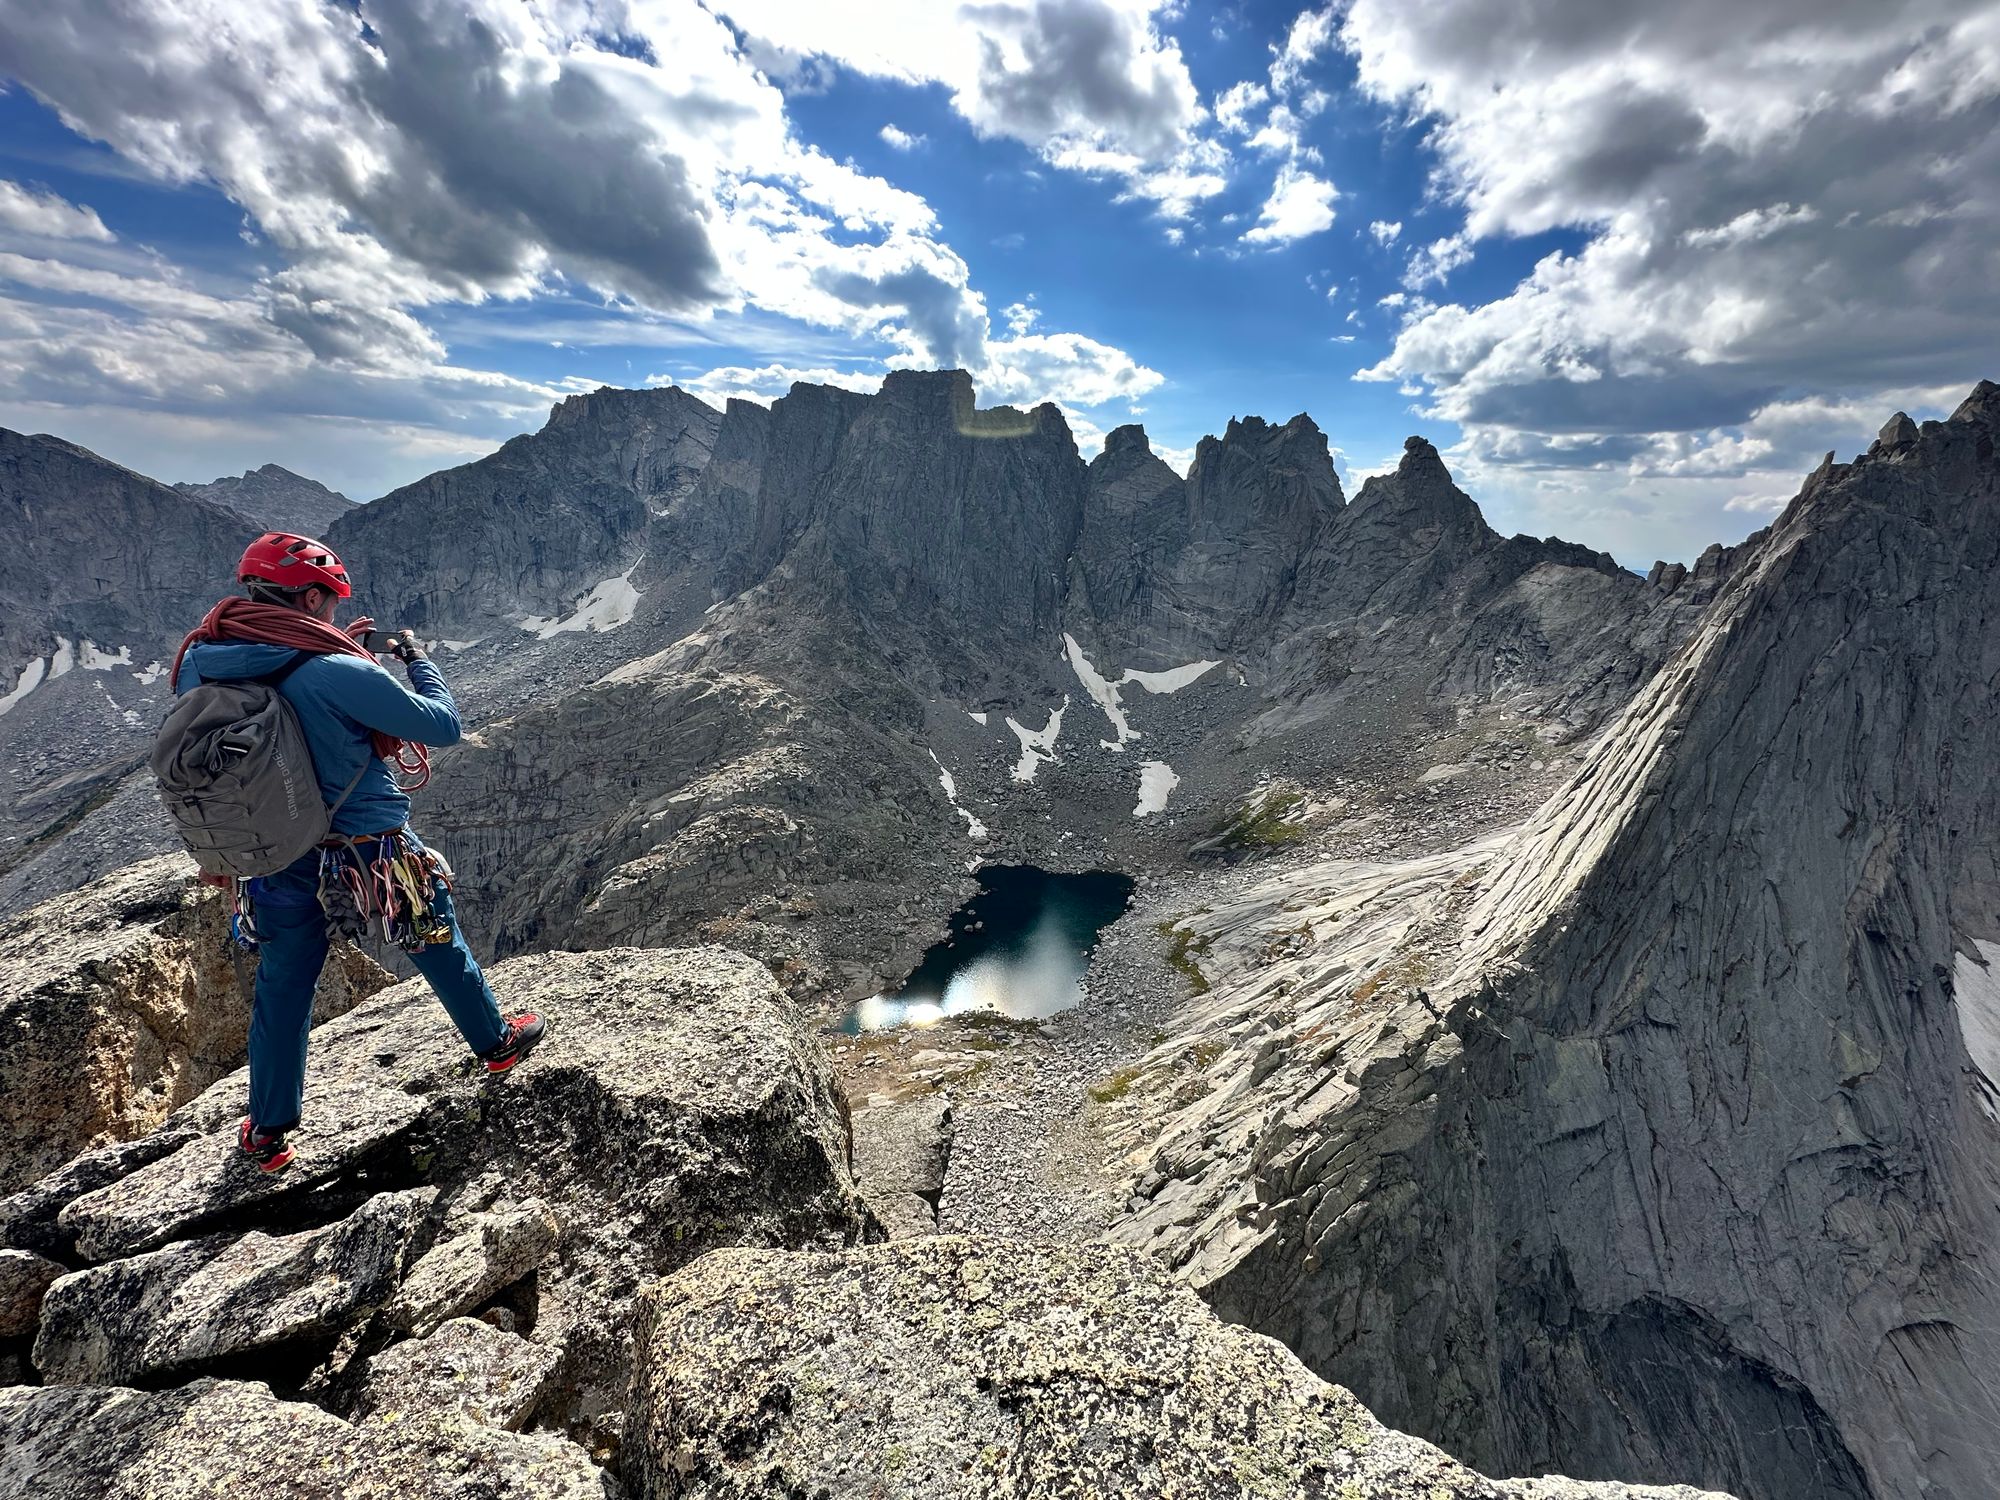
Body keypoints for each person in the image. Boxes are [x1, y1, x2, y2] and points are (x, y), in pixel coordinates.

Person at [172, 531, 544, 1173]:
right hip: (367, 849)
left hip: (271, 851)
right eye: (332, 605)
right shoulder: (333, 668)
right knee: (434, 940)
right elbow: (440, 724)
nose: (337, 616)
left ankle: (267, 1132)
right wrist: (411, 663)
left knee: (284, 985)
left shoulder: (200, 662)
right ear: (313, 596)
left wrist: (344, 653)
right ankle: (497, 1043)